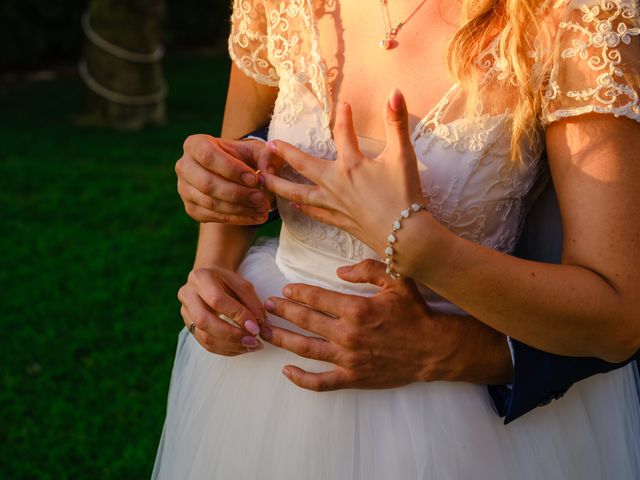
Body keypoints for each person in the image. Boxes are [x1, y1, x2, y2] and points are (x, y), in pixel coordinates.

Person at [153, 0, 640, 478]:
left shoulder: (576, 15)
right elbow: (237, 158)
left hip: (461, 422)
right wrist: (211, 269)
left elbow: (620, 317)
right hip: (263, 379)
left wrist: (426, 255)